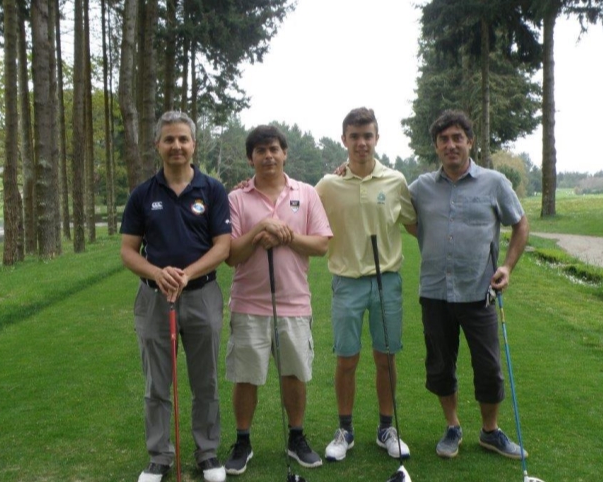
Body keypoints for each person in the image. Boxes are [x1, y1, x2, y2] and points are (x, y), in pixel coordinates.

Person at [407, 110, 530, 460]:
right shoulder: (421, 187)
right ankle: (453, 426)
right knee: (441, 366)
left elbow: (521, 224)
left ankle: (490, 431)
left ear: (470, 141)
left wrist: (507, 266)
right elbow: (392, 200)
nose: (451, 145)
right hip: (434, 293)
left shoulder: (494, 182)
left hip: (480, 293)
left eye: (457, 138)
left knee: (488, 368)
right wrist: (343, 171)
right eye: (444, 140)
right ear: (436, 146)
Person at [120, 111, 231, 482]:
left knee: (206, 381)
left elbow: (223, 245)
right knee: (156, 383)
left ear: (194, 144)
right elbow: (128, 251)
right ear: (158, 145)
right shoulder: (143, 194)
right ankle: (159, 457)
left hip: (201, 294)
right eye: (169, 139)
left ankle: (208, 453)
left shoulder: (212, 190)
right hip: (154, 298)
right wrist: (157, 272)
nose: (177, 146)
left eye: (183, 139)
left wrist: (187, 273)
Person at [223, 125, 332, 474]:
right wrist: (260, 231)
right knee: (246, 375)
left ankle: (296, 437)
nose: (268, 155)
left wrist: (286, 236)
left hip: (294, 302)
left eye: (274, 149)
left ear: (285, 153)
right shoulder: (237, 198)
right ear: (250, 158)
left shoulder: (307, 193)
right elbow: (230, 254)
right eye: (260, 150)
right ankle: (242, 441)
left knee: (294, 373)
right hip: (249, 303)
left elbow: (321, 243)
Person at [315, 107, 416, 462]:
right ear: (344, 140)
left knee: (386, 357)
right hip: (347, 281)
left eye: (367, 136)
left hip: (387, 281)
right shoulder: (329, 184)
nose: (362, 143)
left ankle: (386, 428)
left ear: (377, 138)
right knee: (347, 358)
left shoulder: (395, 181)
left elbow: (416, 223)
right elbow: (299, 208)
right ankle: (345, 429)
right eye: (355, 136)